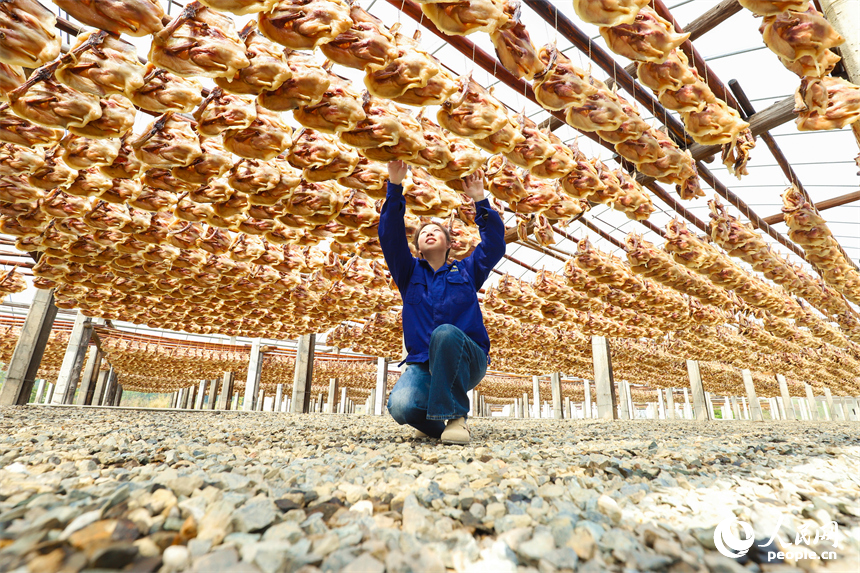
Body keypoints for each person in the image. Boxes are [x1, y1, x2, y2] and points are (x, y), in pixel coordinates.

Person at [378, 160, 505, 444]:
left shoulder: (466, 271)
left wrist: (480, 198)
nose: (429, 232)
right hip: (423, 362)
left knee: (445, 332)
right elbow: (389, 237)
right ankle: (437, 424)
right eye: (423, 233)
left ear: (450, 245)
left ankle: (457, 418)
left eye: (437, 231)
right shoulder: (408, 274)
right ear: (417, 247)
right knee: (401, 406)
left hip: (466, 358)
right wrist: (395, 186)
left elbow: (495, 246)